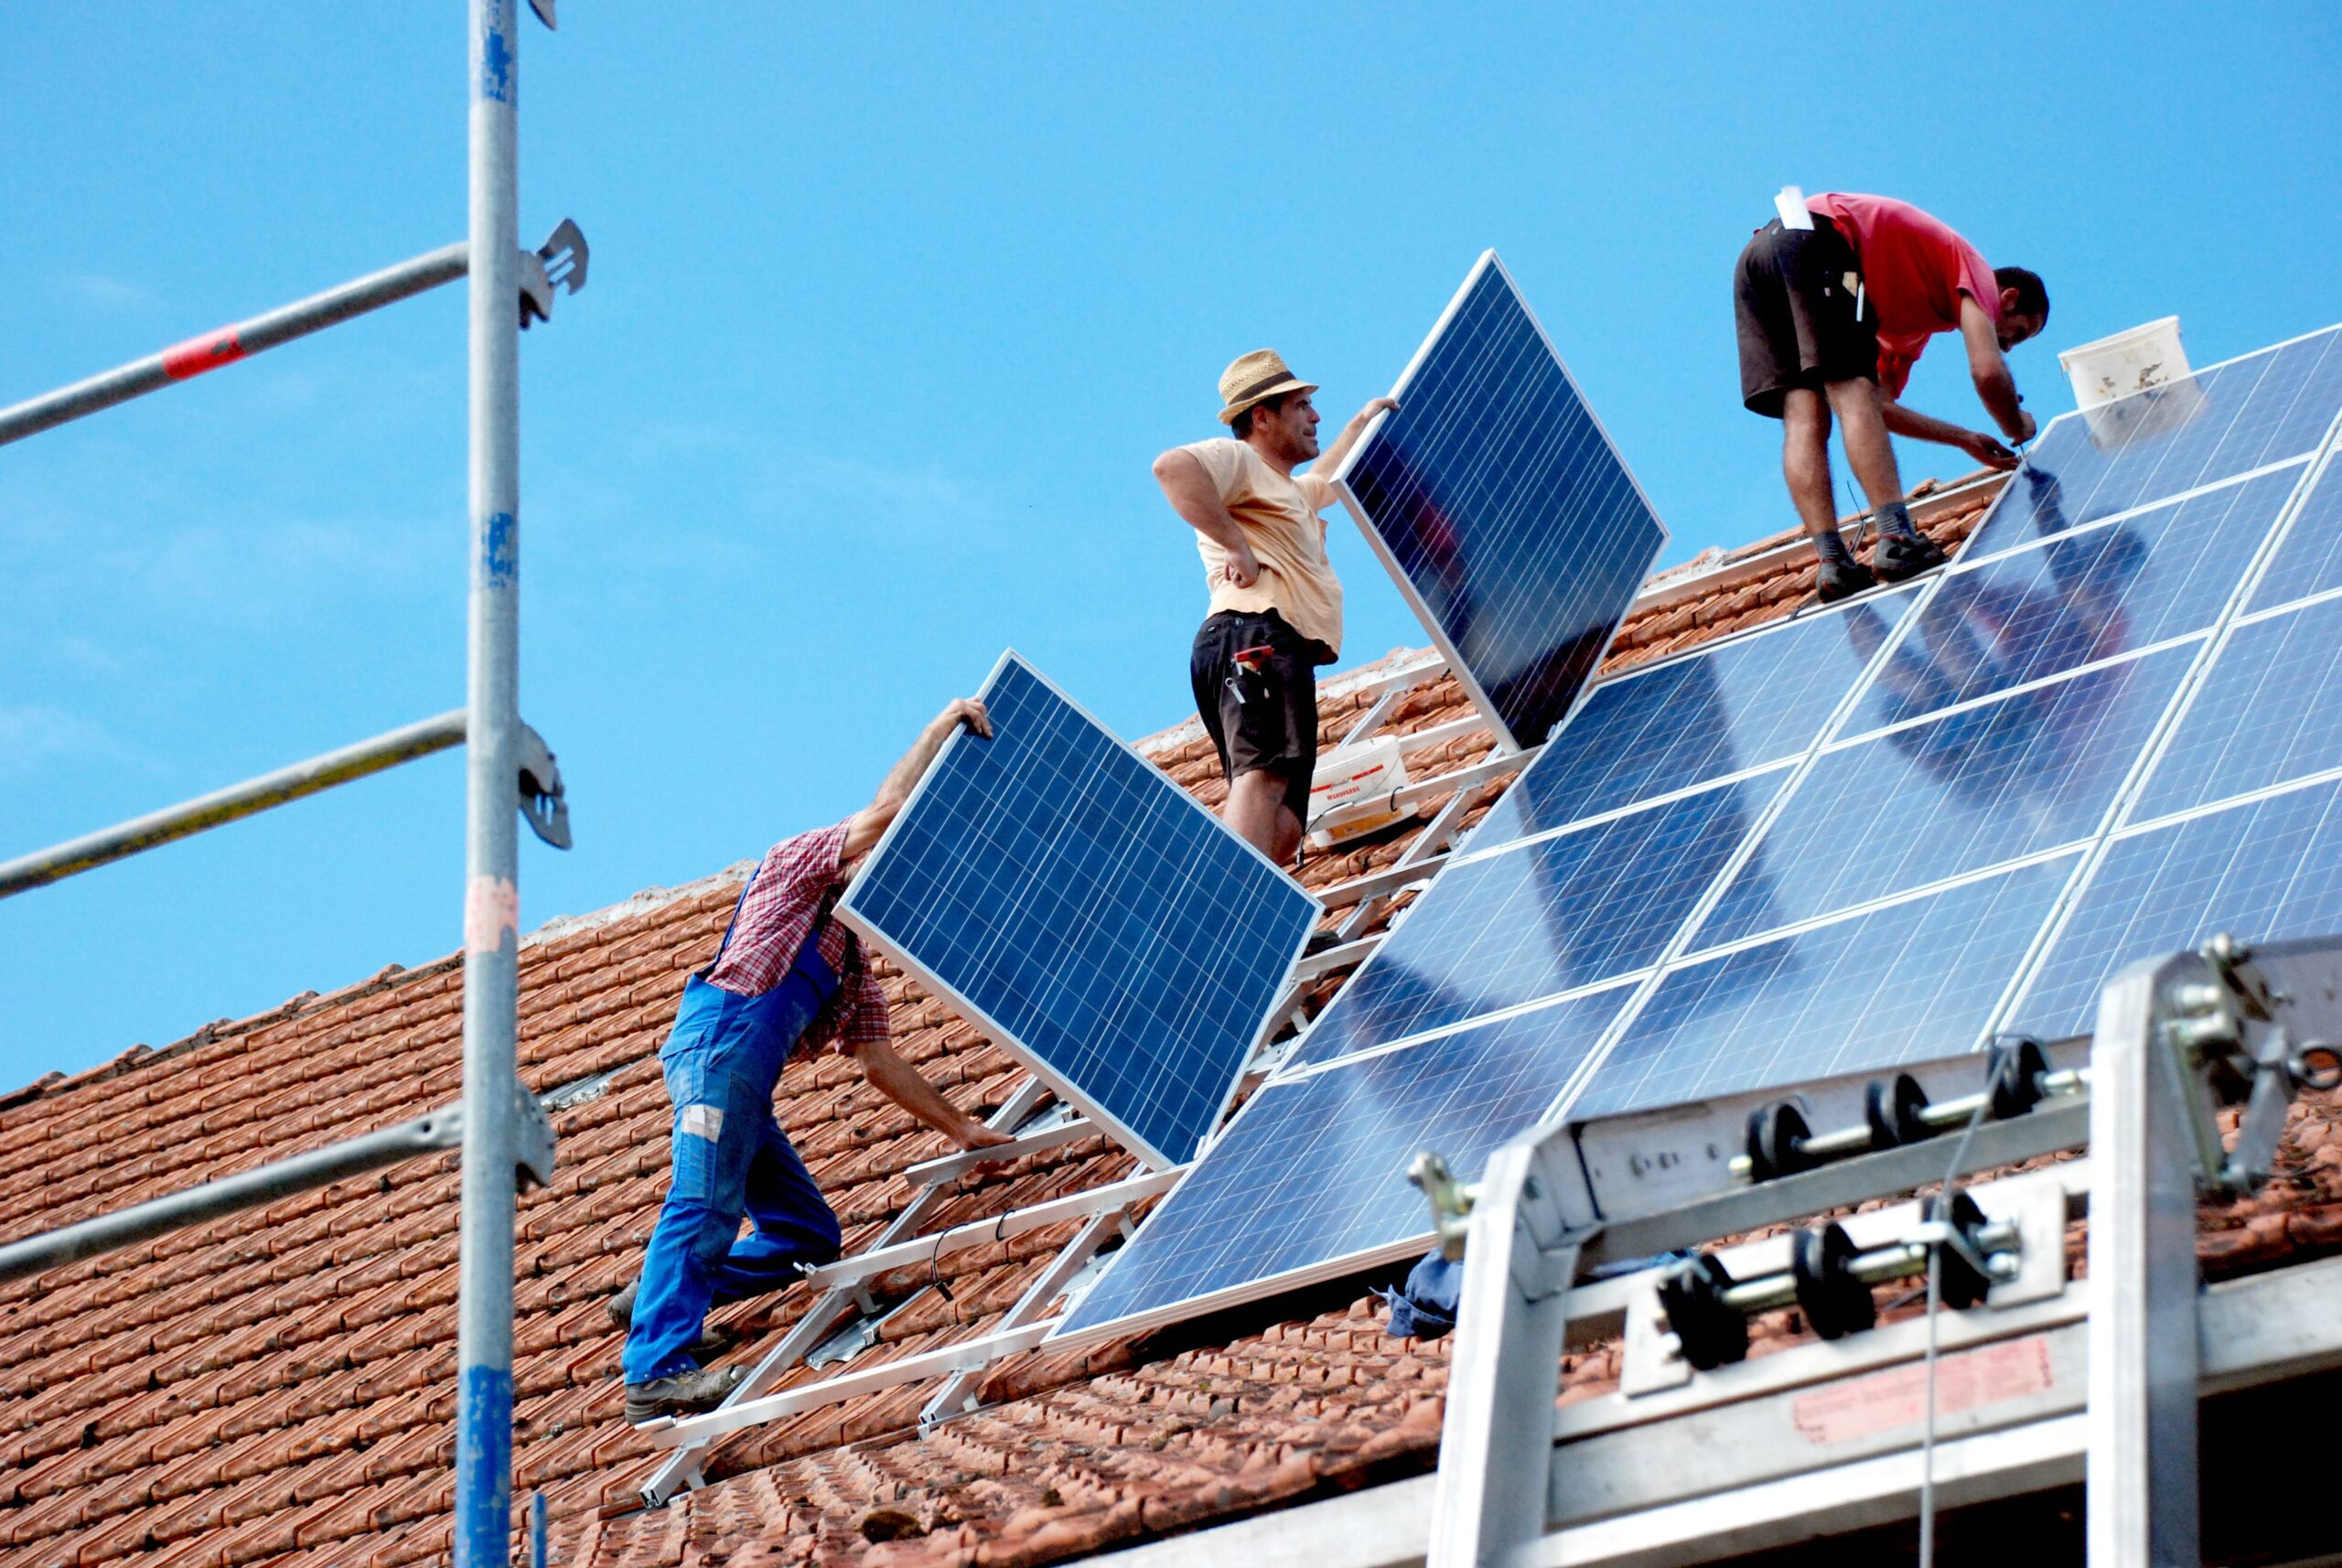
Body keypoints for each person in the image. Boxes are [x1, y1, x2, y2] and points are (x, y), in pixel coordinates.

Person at [614, 697, 1016, 1423]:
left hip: (744, 1079)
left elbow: (878, 1062)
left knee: (807, 1235)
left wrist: (963, 1130)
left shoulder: (851, 958)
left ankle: (663, 1288)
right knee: (706, 1203)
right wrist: (941, 725)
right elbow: (886, 812)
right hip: (719, 1050)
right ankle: (654, 1369)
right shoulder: (798, 865)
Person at [1734, 191, 2050, 602]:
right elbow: (1988, 372)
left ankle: (1833, 563)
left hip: (1760, 259)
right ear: (2006, 298)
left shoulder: (1907, 330)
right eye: (2018, 333)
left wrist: (1964, 439)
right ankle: (1896, 537)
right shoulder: (1974, 270)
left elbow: (1879, 409)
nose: (2009, 346)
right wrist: (2016, 423)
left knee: (1805, 414)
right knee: (1850, 390)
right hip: (1816, 239)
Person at [1152, 349, 1397, 863]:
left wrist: (1362, 422)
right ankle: (1231, 910)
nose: (1315, 416)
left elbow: (1327, 480)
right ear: (1261, 417)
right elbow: (1172, 468)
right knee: (1261, 776)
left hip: (1280, 645)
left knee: (1284, 823)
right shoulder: (1240, 460)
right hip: (1252, 633)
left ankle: (1263, 916)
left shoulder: (1287, 490)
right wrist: (1235, 544)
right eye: (1301, 405)